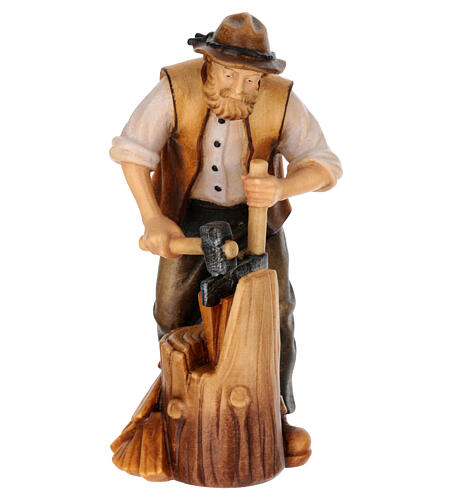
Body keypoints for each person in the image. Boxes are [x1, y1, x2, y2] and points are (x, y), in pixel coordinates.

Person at [109, 13, 342, 462]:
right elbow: (133, 151)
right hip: (187, 216)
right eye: (229, 74)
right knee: (171, 307)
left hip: (257, 219)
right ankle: (172, 406)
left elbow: (324, 164)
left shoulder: (280, 98)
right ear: (209, 63)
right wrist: (153, 219)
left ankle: (276, 412)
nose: (239, 88)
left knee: (275, 310)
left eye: (250, 78)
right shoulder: (175, 88)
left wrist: (281, 188)